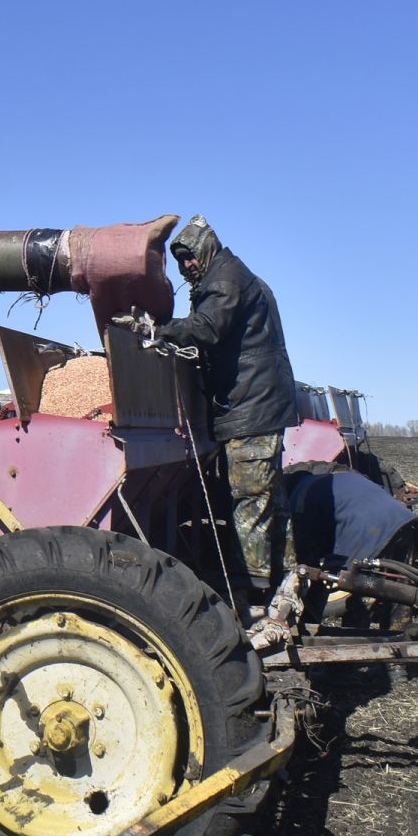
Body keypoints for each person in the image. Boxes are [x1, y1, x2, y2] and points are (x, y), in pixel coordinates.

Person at [154, 215, 297, 585]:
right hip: (260, 403)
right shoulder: (233, 274)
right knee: (270, 502)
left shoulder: (225, 279)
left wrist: (158, 330)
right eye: (181, 260)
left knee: (249, 499)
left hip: (251, 407)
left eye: (191, 257)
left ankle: (255, 588)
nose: (187, 266)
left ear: (207, 248)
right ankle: (289, 582)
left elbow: (206, 328)